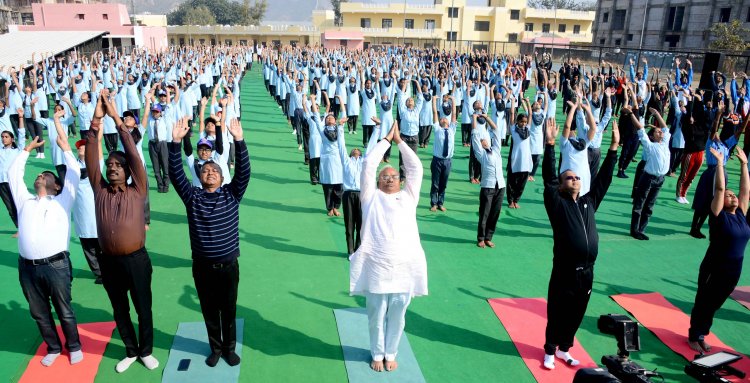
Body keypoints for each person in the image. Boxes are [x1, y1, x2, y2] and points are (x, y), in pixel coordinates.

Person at [84, 92, 158, 373]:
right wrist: (96, 120)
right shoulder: (99, 189)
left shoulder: (138, 187)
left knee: (143, 306)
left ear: (128, 171)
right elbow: (92, 156)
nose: (112, 168)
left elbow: (133, 153)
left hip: (136, 259)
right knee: (119, 308)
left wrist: (116, 117)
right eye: (110, 165)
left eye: (118, 165)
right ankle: (130, 350)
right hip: (109, 261)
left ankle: (146, 350)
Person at [169, 117, 251, 367]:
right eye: (206, 170)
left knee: (228, 309)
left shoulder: (231, 194)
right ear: (199, 175)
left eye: (215, 170)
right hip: (202, 267)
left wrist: (240, 140)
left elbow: (245, 173)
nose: (211, 172)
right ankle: (215, 348)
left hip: (228, 266)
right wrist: (175, 142)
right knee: (208, 310)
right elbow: (175, 173)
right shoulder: (192, 197)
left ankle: (229, 348)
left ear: (222, 175)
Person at [541, 115, 620, 370]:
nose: (575, 179)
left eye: (576, 177)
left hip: (587, 273)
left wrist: (613, 149)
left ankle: (565, 349)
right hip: (565, 270)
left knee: (576, 312)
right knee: (558, 311)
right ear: (562, 186)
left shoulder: (588, 203)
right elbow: (549, 180)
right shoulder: (557, 204)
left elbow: (604, 181)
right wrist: (551, 146)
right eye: (569, 178)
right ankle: (550, 350)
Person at [349, 122, 427, 373]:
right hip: (376, 267)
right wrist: (385, 140)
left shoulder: (408, 197)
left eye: (394, 177)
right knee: (376, 316)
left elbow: (416, 168)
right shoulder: (370, 198)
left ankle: (390, 352)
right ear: (378, 181)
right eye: (386, 176)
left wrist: (401, 142)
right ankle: (377, 353)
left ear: (400, 181)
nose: (390, 179)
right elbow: (369, 164)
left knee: (398, 316)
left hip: (405, 267)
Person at [9, 116, 83, 367]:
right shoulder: (25, 201)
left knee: (64, 309)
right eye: (39, 174)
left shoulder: (63, 201)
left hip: (56, 266)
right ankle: (53, 347)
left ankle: (73, 346)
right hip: (27, 267)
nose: (39, 175)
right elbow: (13, 176)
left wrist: (66, 150)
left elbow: (74, 174)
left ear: (56, 185)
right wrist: (26, 151)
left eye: (45, 174)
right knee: (39, 312)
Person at [688, 147, 750, 352]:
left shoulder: (741, 214)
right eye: (729, 196)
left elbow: (745, 191)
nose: (732, 196)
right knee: (704, 300)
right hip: (715, 266)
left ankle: (702, 331)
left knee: (715, 303)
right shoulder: (718, 217)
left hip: (734, 269)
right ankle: (694, 335)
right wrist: (721, 165)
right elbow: (720, 189)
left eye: (734, 196)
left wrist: (744, 165)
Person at [630, 108, 670, 240]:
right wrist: (631, 114)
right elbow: (640, 129)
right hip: (648, 178)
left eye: (660, 131)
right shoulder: (650, 145)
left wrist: (658, 114)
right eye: (657, 131)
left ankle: (642, 229)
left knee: (650, 205)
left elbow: (665, 128)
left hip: (660, 179)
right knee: (640, 204)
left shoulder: (665, 143)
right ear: (652, 136)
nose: (660, 131)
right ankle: (635, 230)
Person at [473, 105, 505, 248]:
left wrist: (486, 117)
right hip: (488, 186)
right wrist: (474, 119)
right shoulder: (481, 155)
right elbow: (474, 135)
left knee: (495, 213)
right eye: (482, 141)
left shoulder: (496, 150)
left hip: (500, 185)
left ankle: (488, 237)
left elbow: (496, 130)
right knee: (484, 213)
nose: (484, 141)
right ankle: (480, 237)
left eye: (485, 139)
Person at [430, 96, 457, 212]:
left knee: (443, 183)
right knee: (435, 183)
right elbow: (435, 112)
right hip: (437, 160)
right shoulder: (437, 129)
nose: (444, 119)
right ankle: (434, 203)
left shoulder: (452, 129)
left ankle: (441, 203)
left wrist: (453, 100)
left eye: (446, 119)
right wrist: (434, 100)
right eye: (442, 119)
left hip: (447, 161)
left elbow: (454, 113)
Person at [0, 130, 21, 232]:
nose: (4, 139)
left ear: (12, 139)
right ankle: (19, 228)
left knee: (17, 204)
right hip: (1, 182)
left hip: (13, 182)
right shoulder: (0, 151)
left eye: (6, 137)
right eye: (2, 137)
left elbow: (21, 135)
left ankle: (25, 227)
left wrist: (21, 118)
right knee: (9, 206)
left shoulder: (17, 151)